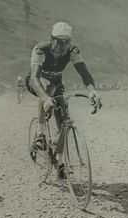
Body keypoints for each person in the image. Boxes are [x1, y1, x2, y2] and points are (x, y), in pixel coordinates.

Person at [26, 22, 102, 179]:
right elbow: (35, 78)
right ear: (51, 39)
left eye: (66, 42)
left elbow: (85, 74)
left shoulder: (72, 51)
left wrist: (92, 91)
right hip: (38, 83)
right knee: (49, 88)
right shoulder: (41, 49)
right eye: (59, 42)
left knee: (64, 122)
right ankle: (41, 134)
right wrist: (46, 98)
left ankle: (61, 163)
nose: (62, 47)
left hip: (56, 82)